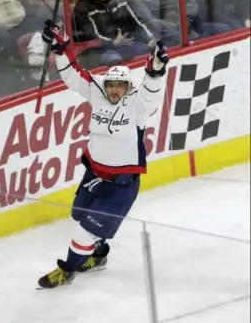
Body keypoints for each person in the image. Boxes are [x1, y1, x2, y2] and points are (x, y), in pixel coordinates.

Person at [27, 20, 169, 289]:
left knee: (84, 231)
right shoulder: (97, 90)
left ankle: (67, 270)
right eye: (112, 85)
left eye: (120, 87)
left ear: (128, 88)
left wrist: (155, 73)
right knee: (79, 216)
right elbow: (71, 74)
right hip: (94, 176)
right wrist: (60, 47)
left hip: (121, 186)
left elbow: (152, 95)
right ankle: (99, 256)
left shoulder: (137, 106)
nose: (115, 90)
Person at [72, 0, 156, 66]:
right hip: (101, 51)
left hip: (127, 43)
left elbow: (138, 22)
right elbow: (91, 36)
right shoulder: (81, 9)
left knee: (153, 51)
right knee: (114, 60)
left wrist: (150, 38)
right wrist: (113, 43)